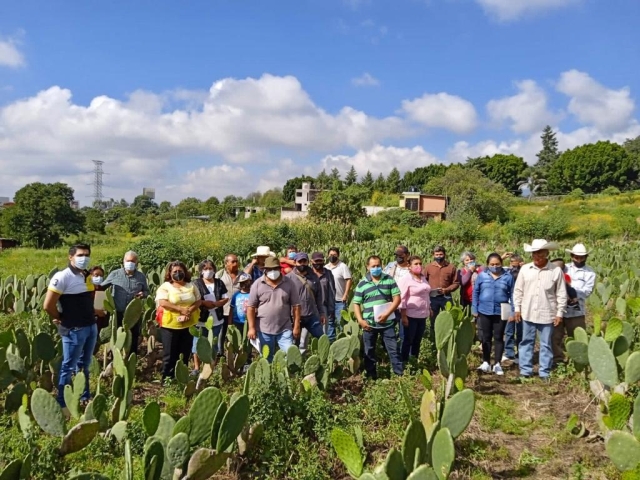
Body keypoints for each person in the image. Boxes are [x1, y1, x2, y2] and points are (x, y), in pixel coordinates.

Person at [43, 244, 97, 407]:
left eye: (86, 255)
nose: (84, 258)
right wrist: (60, 318)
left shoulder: (86, 275)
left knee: (84, 365)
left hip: (90, 326)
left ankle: (84, 396)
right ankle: (62, 402)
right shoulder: (62, 276)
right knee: (68, 366)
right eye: (80, 255)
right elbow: (48, 305)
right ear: (70, 257)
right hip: (74, 329)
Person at [514, 239, 567, 380]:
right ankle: (525, 370)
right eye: (534, 254)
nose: (537, 257)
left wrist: (559, 313)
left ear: (547, 254)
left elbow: (561, 293)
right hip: (528, 311)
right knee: (526, 341)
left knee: (546, 343)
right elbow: (518, 290)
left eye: (540, 254)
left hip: (547, 313)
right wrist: (517, 309)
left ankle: (544, 371)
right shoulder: (525, 269)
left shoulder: (555, 271)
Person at [353, 255, 403, 379]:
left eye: (378, 266)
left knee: (393, 350)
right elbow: (356, 304)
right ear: (367, 267)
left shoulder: (389, 280)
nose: (376, 268)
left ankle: (400, 376)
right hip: (369, 324)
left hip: (387, 323)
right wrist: (360, 321)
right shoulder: (362, 284)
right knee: (369, 351)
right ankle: (371, 377)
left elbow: (397, 298)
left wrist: (386, 314)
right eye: (373, 266)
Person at [247, 256, 301, 362]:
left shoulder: (289, 283)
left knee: (289, 356)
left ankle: (288, 377)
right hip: (264, 329)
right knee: (267, 358)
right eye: (270, 269)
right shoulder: (257, 284)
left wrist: (296, 326)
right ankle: (271, 377)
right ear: (265, 269)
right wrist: (251, 328)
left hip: (284, 328)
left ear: (280, 268)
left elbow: (296, 306)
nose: (273, 271)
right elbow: (251, 307)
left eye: (275, 268)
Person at [155, 261, 202, 381]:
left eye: (180, 271)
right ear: (169, 274)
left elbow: (198, 300)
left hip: (188, 324)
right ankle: (167, 378)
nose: (178, 273)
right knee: (169, 354)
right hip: (170, 325)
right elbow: (163, 302)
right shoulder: (165, 287)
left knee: (185, 353)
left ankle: (182, 377)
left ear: (185, 272)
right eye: (175, 271)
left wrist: (189, 310)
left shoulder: (191, 285)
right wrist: (180, 309)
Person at [552, 244, 596, 365]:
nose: (579, 260)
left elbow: (587, 291)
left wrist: (574, 295)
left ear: (586, 257)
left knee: (577, 336)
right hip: (559, 309)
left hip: (577, 310)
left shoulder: (590, 273)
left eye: (582, 257)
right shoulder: (563, 268)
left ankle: (577, 362)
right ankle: (558, 360)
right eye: (576, 257)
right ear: (572, 256)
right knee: (555, 336)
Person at [472, 253, 515, 376]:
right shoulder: (482, 276)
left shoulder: (508, 277)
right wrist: (474, 308)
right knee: (486, 337)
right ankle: (485, 362)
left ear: (501, 264)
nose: (495, 266)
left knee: (498, 337)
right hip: (484, 310)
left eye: (497, 264)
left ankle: (497, 364)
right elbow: (476, 292)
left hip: (501, 311)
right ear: (487, 264)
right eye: (492, 264)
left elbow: (512, 294)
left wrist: (513, 311)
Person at [101, 251, 149, 356]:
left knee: (133, 336)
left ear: (137, 262)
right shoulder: (115, 274)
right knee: (117, 337)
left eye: (132, 261)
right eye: (128, 261)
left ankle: (132, 359)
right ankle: (116, 360)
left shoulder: (141, 277)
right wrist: (98, 306)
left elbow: (147, 291)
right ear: (123, 261)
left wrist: (143, 294)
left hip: (133, 313)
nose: (130, 263)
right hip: (117, 312)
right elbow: (101, 288)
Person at [191, 260, 229, 374]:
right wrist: (203, 303)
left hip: (217, 318)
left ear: (214, 270)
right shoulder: (195, 283)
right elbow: (192, 300)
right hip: (201, 319)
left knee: (214, 343)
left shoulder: (219, 283)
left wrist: (217, 304)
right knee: (198, 343)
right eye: (205, 269)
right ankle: (197, 368)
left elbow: (225, 297)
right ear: (201, 271)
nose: (208, 271)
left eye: (210, 268)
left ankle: (212, 366)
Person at [288, 253, 326, 353]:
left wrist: (322, 313)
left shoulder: (314, 277)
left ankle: (328, 363)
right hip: (295, 317)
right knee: (294, 346)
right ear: (295, 262)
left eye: (304, 261)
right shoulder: (288, 278)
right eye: (300, 262)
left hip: (312, 316)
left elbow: (319, 297)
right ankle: (295, 366)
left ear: (308, 262)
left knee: (323, 340)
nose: (302, 264)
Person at [424, 246, 460, 344]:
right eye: (437, 255)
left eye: (441, 254)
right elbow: (423, 281)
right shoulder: (428, 267)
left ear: (444, 254)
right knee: (433, 320)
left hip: (446, 297)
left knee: (448, 320)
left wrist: (447, 289)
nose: (439, 256)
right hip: (432, 297)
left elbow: (456, 283)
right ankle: (433, 341)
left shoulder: (451, 267)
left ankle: (447, 341)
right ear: (433, 255)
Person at [397, 255, 431, 362]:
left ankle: (414, 360)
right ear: (409, 266)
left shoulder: (423, 278)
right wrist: (403, 316)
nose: (419, 266)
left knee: (417, 340)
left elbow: (426, 294)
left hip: (422, 314)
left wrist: (429, 308)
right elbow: (401, 298)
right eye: (415, 264)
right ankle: (404, 362)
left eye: (420, 263)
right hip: (410, 315)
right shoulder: (405, 279)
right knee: (407, 340)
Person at [311, 252, 337, 342]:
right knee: (304, 338)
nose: (318, 263)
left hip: (323, 307)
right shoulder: (308, 274)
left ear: (323, 261)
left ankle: (322, 355)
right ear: (311, 261)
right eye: (316, 261)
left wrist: (331, 309)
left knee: (323, 336)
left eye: (320, 261)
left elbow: (332, 292)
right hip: (308, 310)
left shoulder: (328, 273)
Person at [503, 253, 524, 363]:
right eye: (512, 264)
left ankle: (520, 354)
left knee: (521, 330)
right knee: (509, 330)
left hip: (522, 305)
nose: (513, 267)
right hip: (508, 304)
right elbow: (490, 269)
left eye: (516, 265)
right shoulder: (506, 271)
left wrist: (524, 267)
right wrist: (502, 257)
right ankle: (509, 353)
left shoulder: (525, 272)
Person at [325, 247, 352, 325]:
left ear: (338, 255)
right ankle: (331, 337)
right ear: (327, 255)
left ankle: (340, 337)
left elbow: (349, 280)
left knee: (340, 322)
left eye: (334, 255)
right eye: (330, 254)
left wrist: (346, 294)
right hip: (328, 300)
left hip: (340, 300)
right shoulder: (325, 267)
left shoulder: (343, 266)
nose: (332, 256)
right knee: (329, 322)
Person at [216, 253, 241, 335]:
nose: (236, 264)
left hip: (239, 311)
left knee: (238, 335)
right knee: (222, 335)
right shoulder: (219, 275)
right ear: (226, 263)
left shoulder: (243, 275)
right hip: (223, 310)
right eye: (233, 262)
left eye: (237, 261)